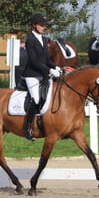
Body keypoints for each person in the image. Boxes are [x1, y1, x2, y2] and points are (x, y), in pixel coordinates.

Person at [22, 13, 61, 141]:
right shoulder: (30, 40)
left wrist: (55, 67)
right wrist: (49, 70)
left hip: (43, 74)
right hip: (32, 75)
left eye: (44, 25)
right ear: (34, 25)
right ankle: (27, 128)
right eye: (41, 25)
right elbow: (34, 61)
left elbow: (46, 59)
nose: (43, 27)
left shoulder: (44, 40)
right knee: (37, 98)